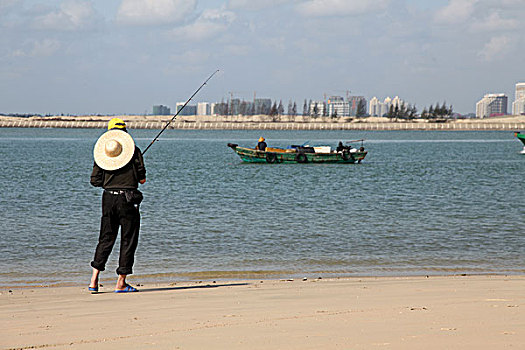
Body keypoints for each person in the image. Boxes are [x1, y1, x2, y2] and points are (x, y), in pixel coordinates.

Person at [89, 118, 146, 293]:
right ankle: (121, 282)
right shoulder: (135, 152)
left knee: (106, 238)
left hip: (108, 199)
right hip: (128, 199)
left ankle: (93, 280)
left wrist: (110, 180)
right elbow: (142, 180)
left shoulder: (103, 154)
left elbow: (95, 181)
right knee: (128, 239)